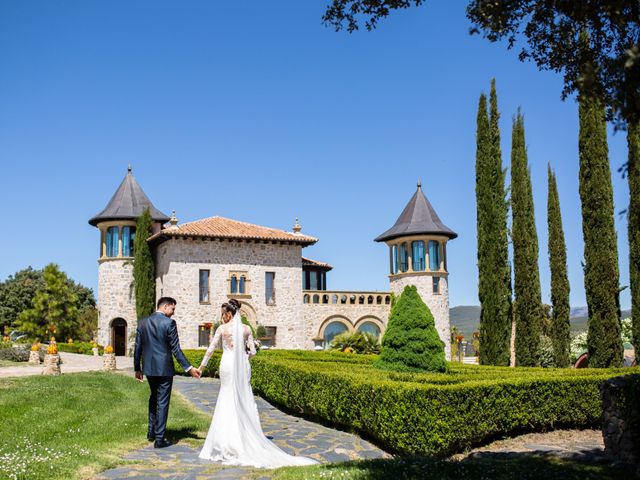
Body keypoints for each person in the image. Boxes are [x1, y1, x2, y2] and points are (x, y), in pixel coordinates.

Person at [197, 299, 318, 468]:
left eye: (223, 314)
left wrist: (201, 367)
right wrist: (244, 356)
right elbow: (252, 351)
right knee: (242, 396)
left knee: (226, 396)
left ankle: (226, 440)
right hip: (241, 365)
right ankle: (244, 436)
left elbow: (210, 349)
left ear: (229, 314)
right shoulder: (246, 329)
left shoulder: (222, 329)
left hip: (227, 364)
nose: (222, 317)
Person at [134, 297, 200, 449]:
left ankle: (151, 432)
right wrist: (189, 368)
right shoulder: (169, 323)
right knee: (162, 401)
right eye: (173, 309)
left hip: (149, 368)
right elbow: (175, 349)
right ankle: (159, 438)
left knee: (154, 397)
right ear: (165, 306)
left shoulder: (143, 322)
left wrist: (137, 368)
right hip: (164, 368)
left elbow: (138, 347)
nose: (173, 313)